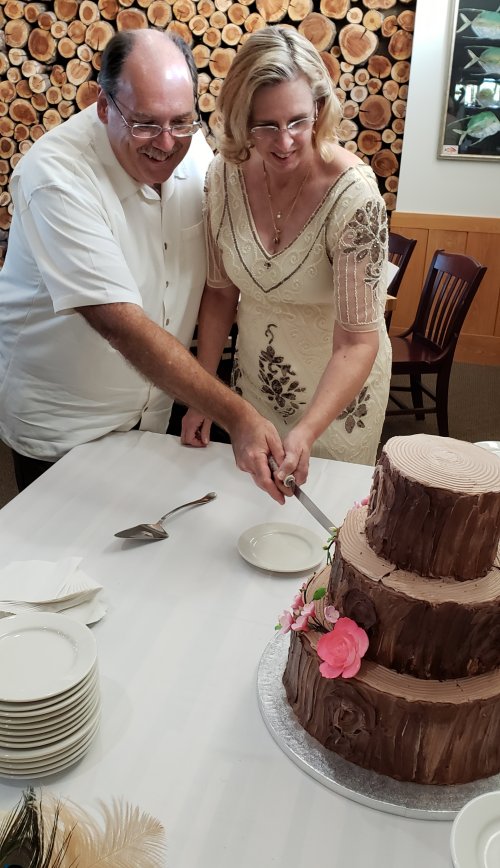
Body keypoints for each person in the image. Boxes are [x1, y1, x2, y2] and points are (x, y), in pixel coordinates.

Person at [0, 29, 287, 503]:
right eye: (145, 124)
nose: (167, 142)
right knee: (64, 568)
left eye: (181, 120)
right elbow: (121, 325)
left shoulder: (193, 153)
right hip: (65, 424)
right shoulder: (54, 175)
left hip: (153, 412)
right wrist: (237, 414)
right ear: (103, 106)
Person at [181, 26, 392, 485]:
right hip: (254, 390)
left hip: (334, 403)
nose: (284, 142)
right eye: (266, 126)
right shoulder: (223, 176)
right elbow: (219, 293)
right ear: (241, 120)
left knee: (325, 530)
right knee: (243, 513)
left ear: (319, 108)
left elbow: (358, 342)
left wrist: (308, 431)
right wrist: (205, 394)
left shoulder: (355, 198)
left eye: (298, 120)